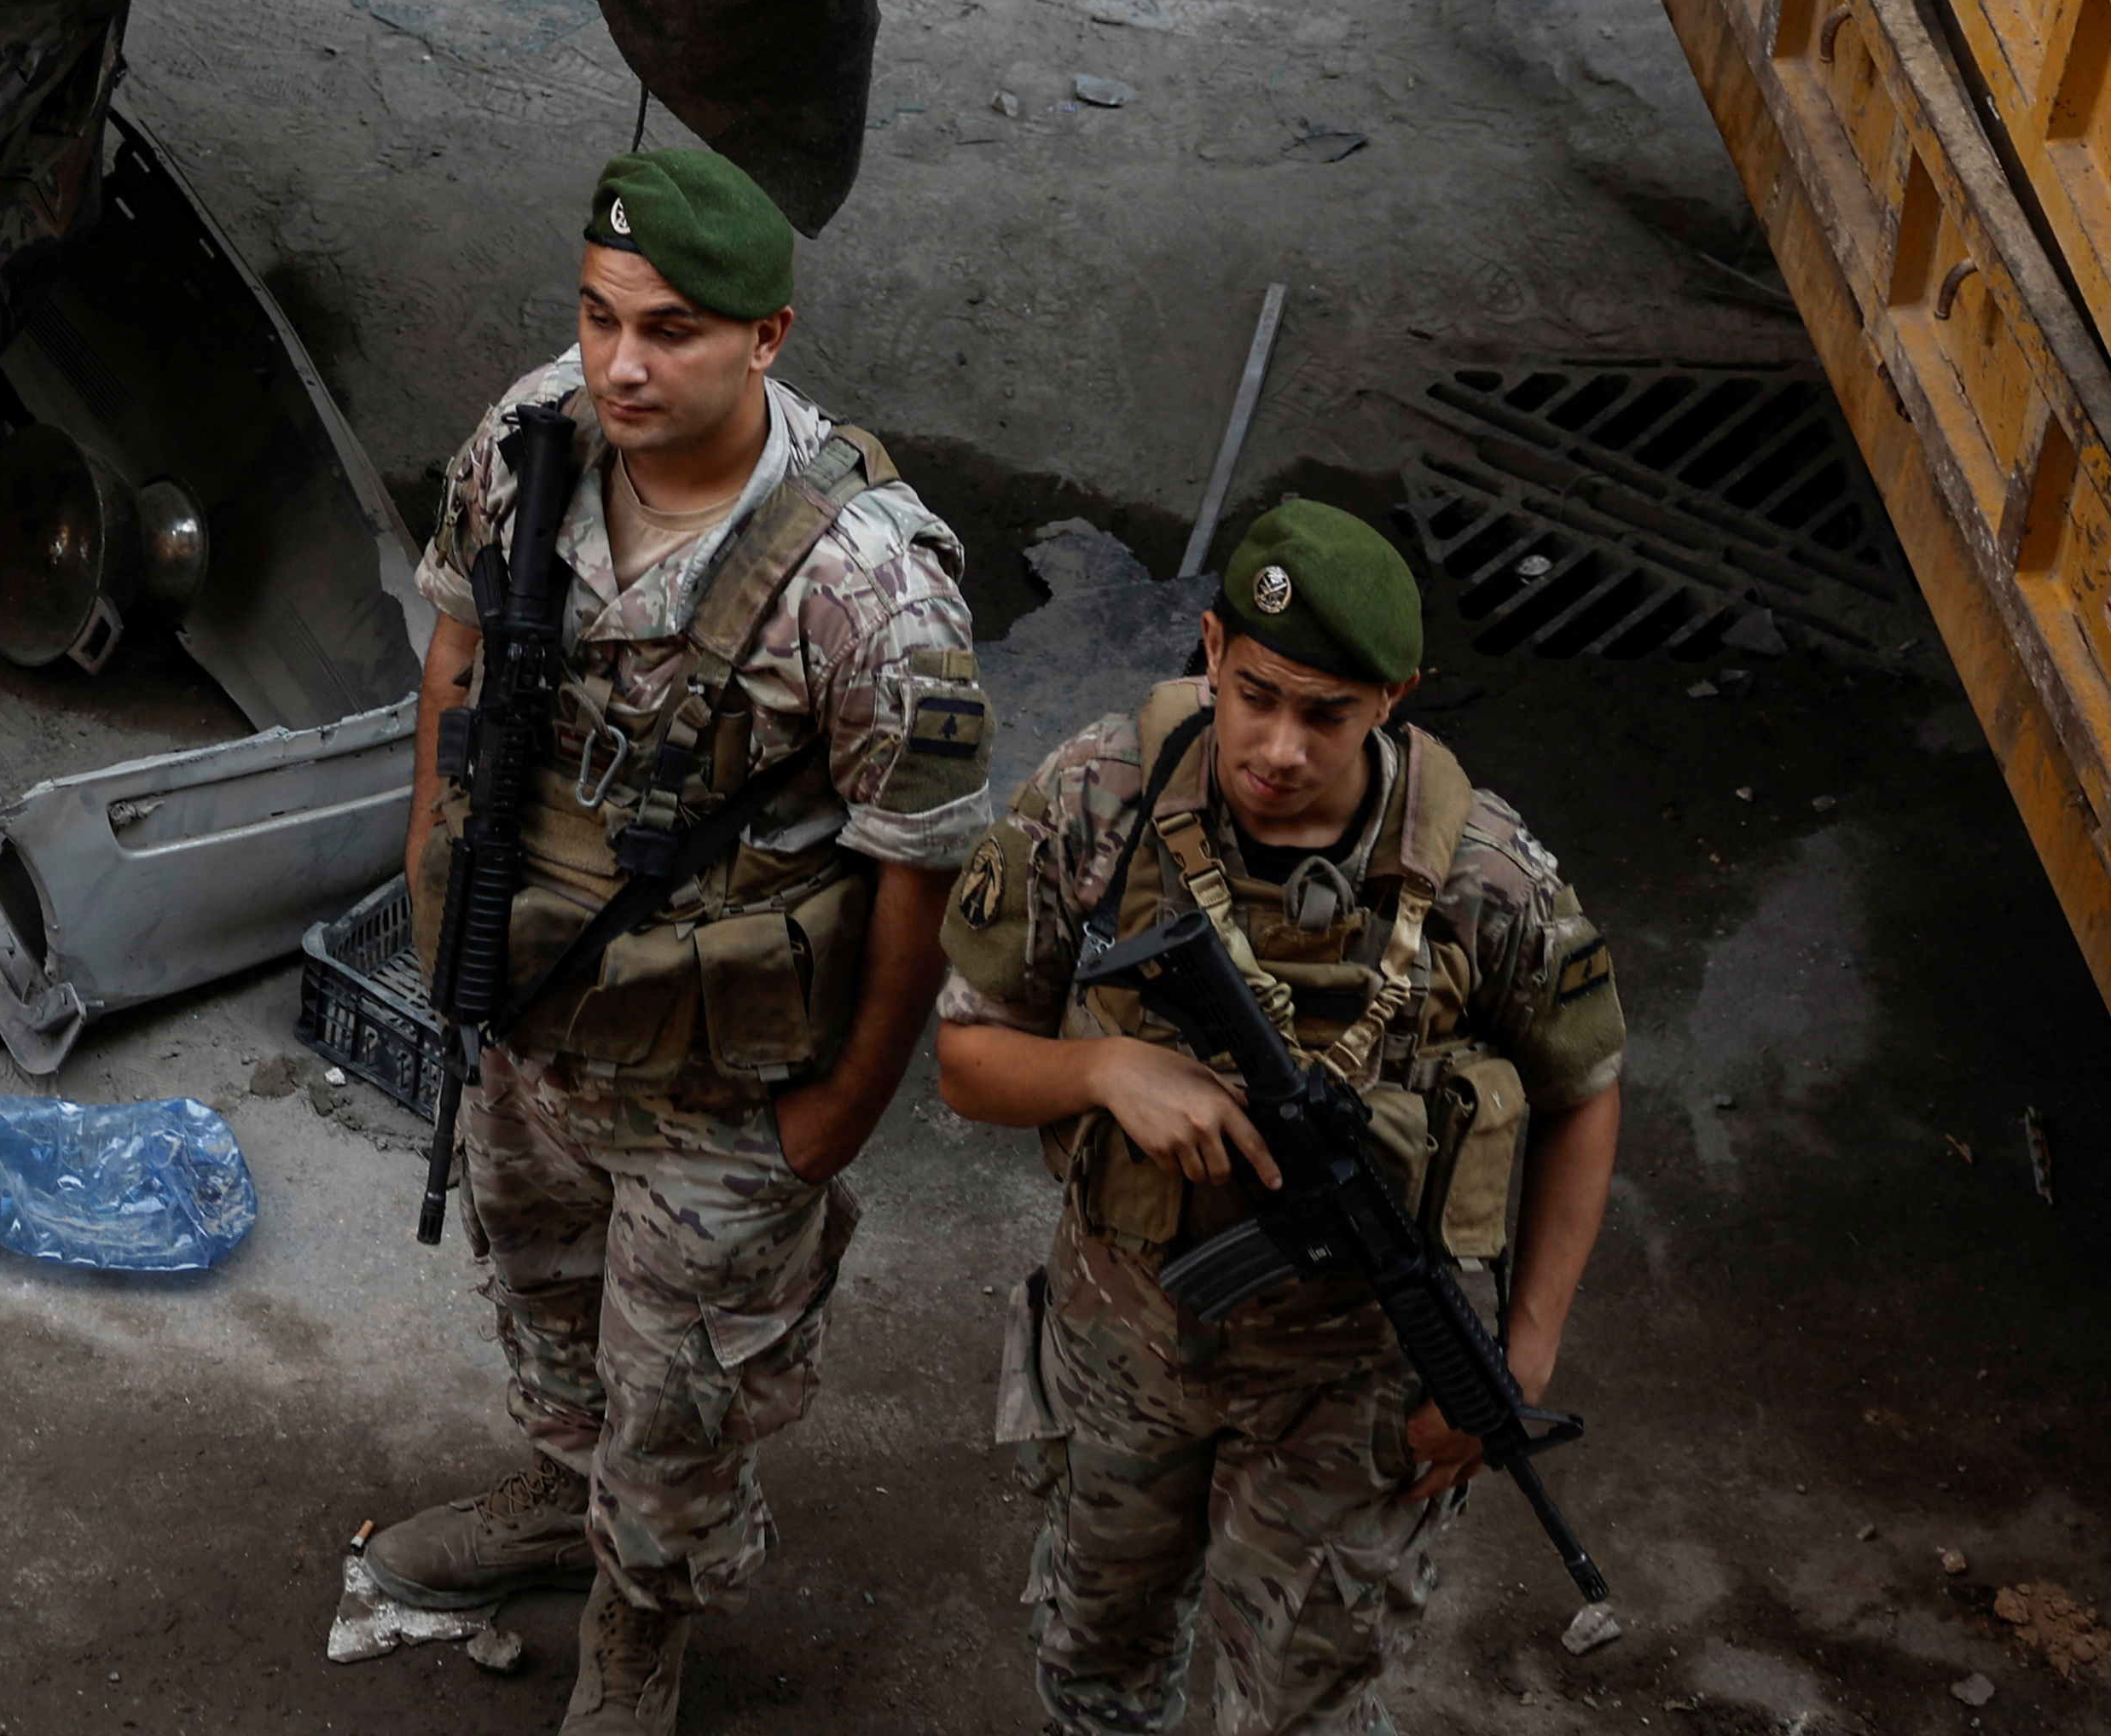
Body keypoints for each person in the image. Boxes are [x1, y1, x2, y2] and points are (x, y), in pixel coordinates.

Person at [367, 149, 995, 1734]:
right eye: (597, 315)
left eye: (671, 330)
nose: (621, 363)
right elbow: (453, 645)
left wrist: (841, 1116)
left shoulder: (868, 588)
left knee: (688, 1398)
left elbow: (916, 872)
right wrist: (442, 893)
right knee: (545, 1297)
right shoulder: (532, 450)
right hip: (532, 1010)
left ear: (767, 338)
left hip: (724, 1091)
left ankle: (638, 1632)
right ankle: (558, 1505)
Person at [934, 499, 1626, 1735]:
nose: (1282, 746)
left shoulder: (1485, 874)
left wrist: (1519, 1357)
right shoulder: (1098, 804)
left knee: (1303, 1695)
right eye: (1257, 694)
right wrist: (1103, 1076)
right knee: (1096, 1657)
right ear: (1209, 649)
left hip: (1355, 1383)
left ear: (1397, 698)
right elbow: (968, 1060)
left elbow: (1586, 1090)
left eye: (1329, 714)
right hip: (1126, 1341)